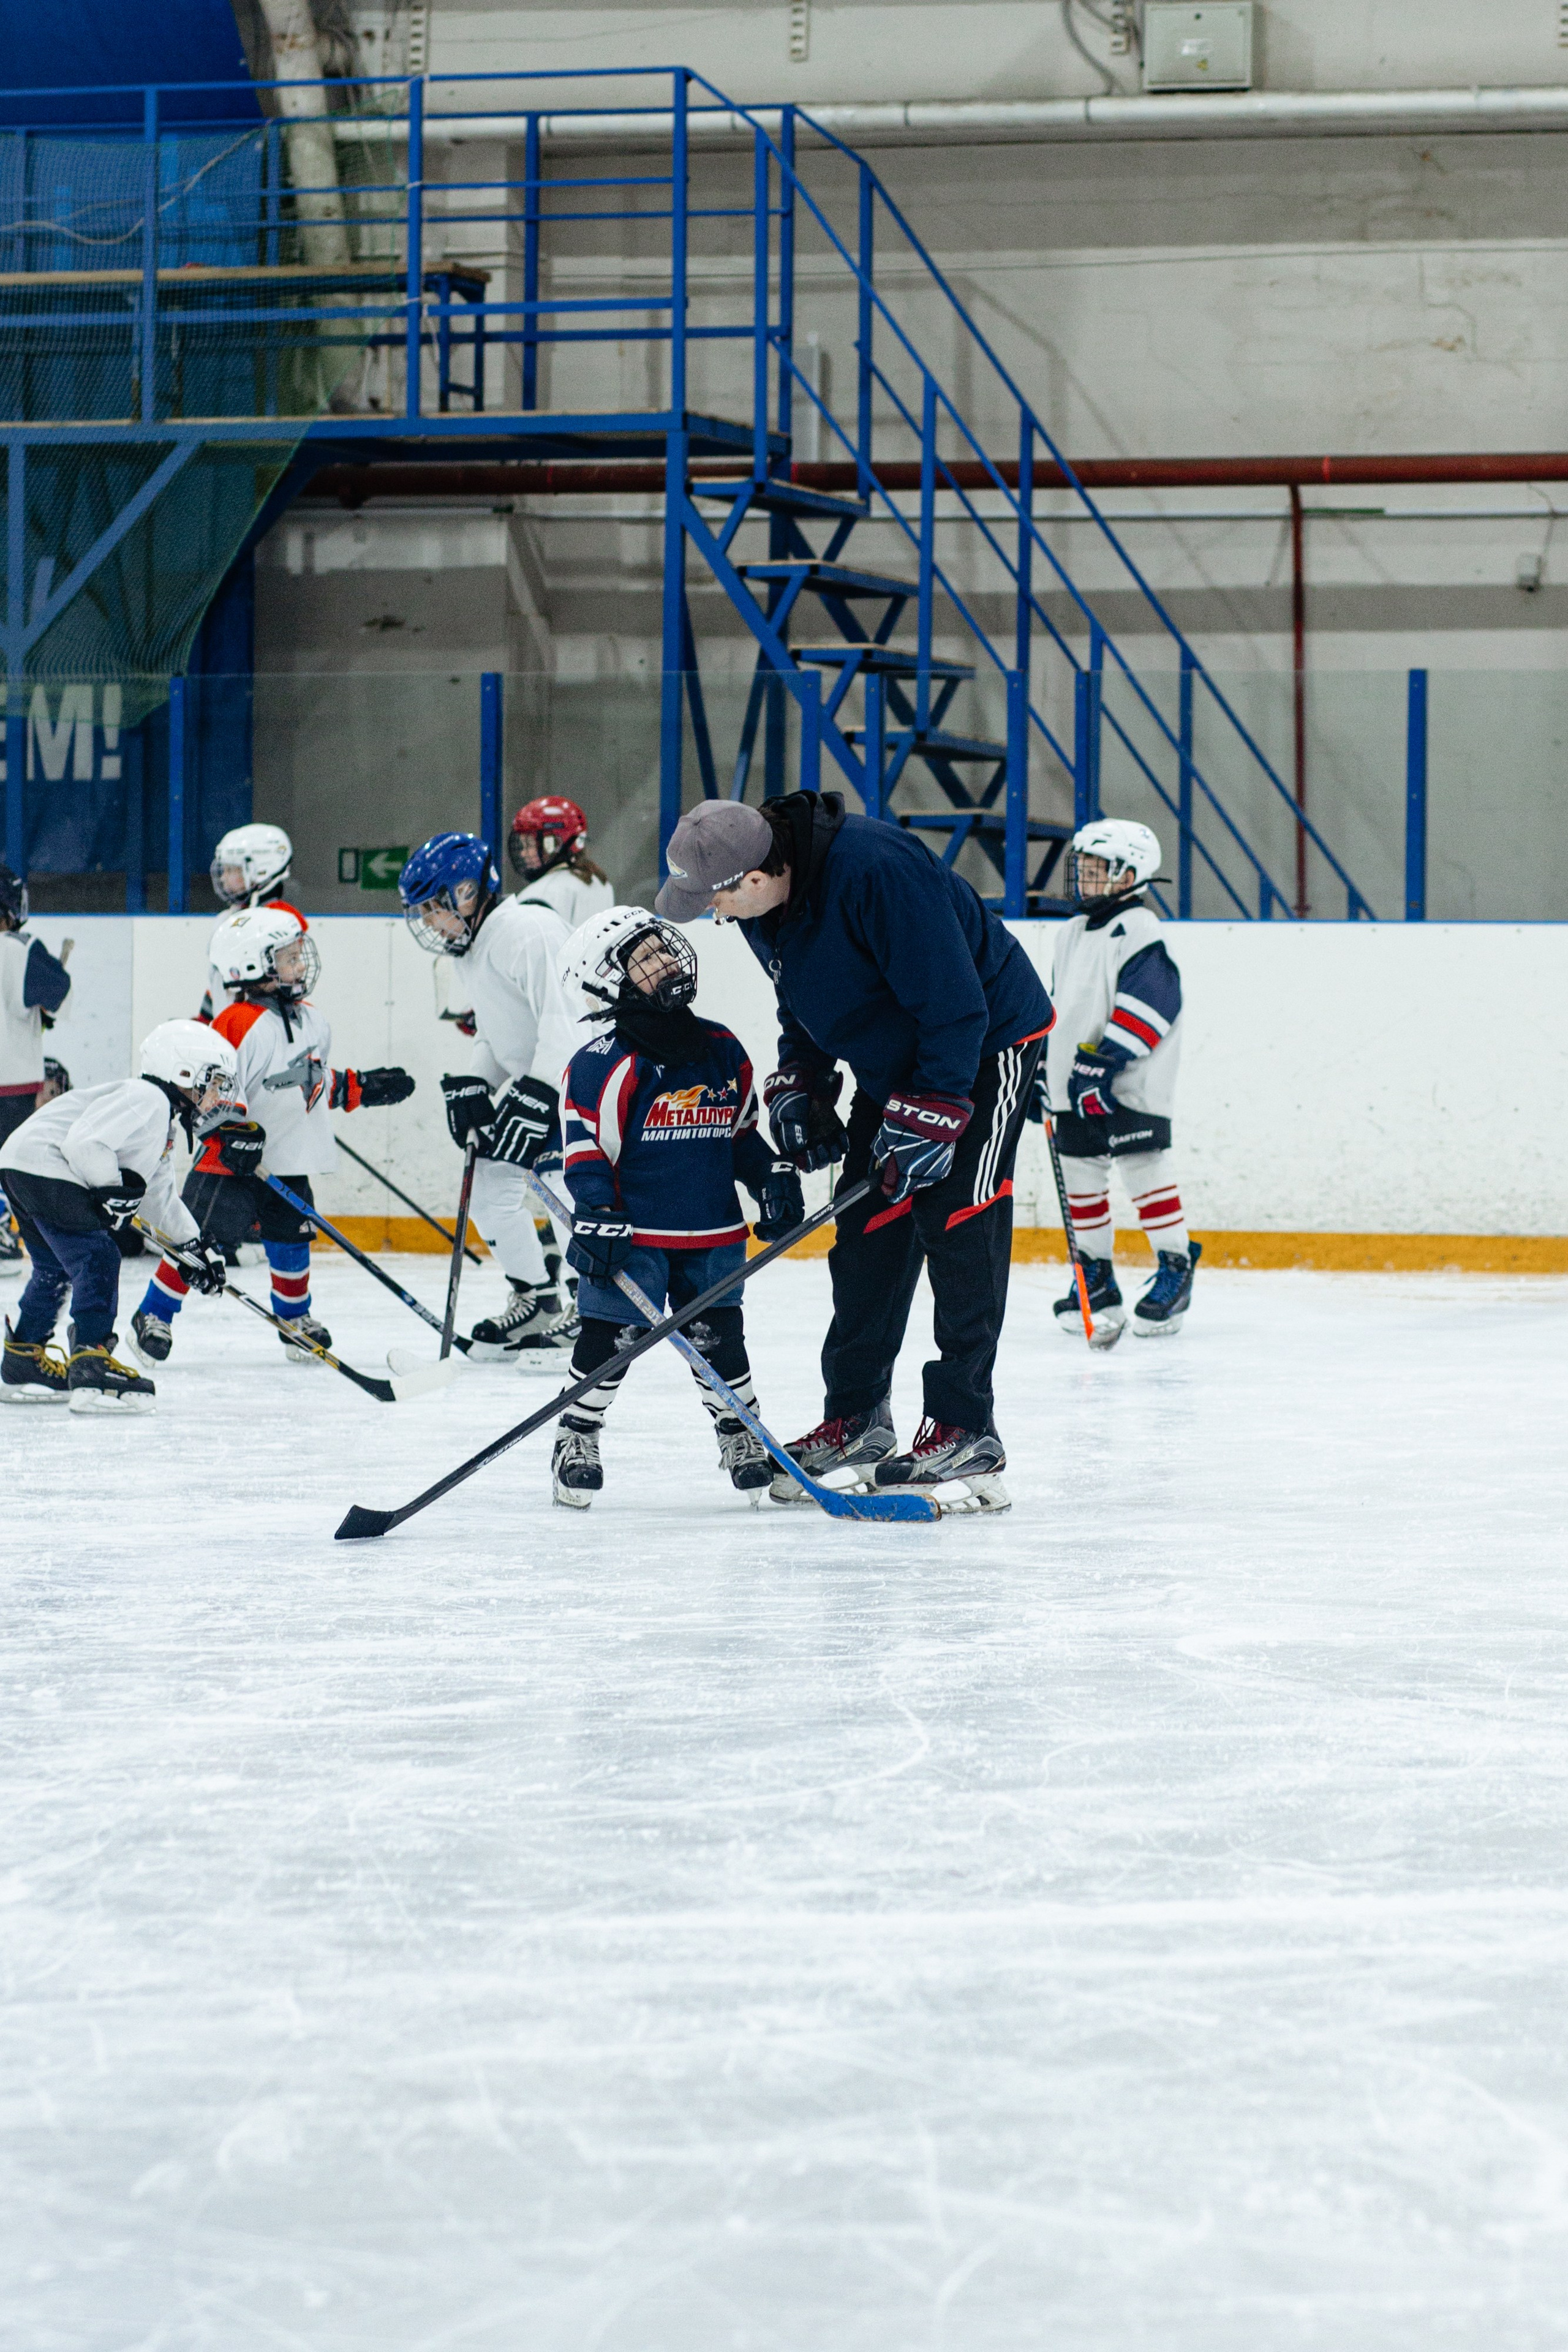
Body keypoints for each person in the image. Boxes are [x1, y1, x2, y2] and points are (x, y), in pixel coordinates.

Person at [656, 792, 1052, 1512]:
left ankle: (967, 1425)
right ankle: (858, 1417)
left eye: (713, 900)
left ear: (751, 876)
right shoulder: (766, 903)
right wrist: (801, 1084)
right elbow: (803, 998)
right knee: (868, 1232)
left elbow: (956, 1004)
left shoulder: (877, 873)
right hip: (900, 1059)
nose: (713, 917)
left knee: (957, 1219)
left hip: (983, 1045)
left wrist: (936, 1111)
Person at [552, 905, 802, 1509]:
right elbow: (584, 1145)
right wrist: (595, 1210)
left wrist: (770, 1173)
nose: (667, 959)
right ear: (606, 980)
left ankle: (740, 1432)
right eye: (644, 957)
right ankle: (575, 1436)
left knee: (720, 1338)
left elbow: (739, 1132)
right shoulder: (603, 1062)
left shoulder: (719, 1046)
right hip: (633, 1237)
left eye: (663, 947)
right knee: (609, 1341)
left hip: (712, 1232)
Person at [130, 906, 414, 1367]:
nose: (300, 966)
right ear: (252, 965)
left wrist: (362, 1088)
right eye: (288, 957)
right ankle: (154, 1314)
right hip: (230, 1166)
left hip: (289, 1157)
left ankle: (294, 1320)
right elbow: (208, 1089)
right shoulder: (236, 1024)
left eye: (299, 956)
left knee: (290, 1240)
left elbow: (312, 1082)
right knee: (196, 1241)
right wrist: (229, 1130)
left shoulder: (314, 1021)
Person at [399, 831, 579, 1365]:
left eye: (435, 908)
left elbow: (564, 1019)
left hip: (583, 1085)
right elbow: (500, 1033)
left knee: (569, 1191)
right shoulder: (473, 949)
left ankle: (591, 1310)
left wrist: (540, 1093)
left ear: (469, 893)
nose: (430, 922)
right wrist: (479, 1082)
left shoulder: (529, 929)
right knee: (487, 1187)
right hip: (542, 1084)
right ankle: (537, 1298)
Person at [1, 1020, 233, 1412]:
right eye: (212, 1083)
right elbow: (84, 1143)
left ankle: (24, 1357)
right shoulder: (148, 1098)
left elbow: (159, 1198)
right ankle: (92, 1364)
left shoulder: (161, 1119)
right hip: (47, 1167)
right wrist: (110, 1187)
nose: (216, 1096)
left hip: (21, 1165)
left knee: (55, 1268)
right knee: (99, 1256)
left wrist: (197, 1248)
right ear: (183, 1072)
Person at [1028, 818, 1198, 1338]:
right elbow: (1063, 1006)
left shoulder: (1141, 928)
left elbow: (1154, 1001)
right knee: (1081, 1177)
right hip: (1072, 1084)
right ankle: (1095, 1278)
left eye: (1097, 869)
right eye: (1083, 867)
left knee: (1144, 1172)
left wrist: (1101, 1062)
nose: (1083, 878)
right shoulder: (1072, 932)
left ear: (1130, 876)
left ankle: (1175, 1267)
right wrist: (1043, 1067)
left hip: (1128, 1083)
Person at [0, 863, 72, 1280]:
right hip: (12, 1085)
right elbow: (55, 993)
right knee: (16, 1168)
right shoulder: (19, 948)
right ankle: (23, 1240)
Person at [199, 823, 302, 1020]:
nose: (224, 878)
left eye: (232, 870)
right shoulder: (229, 919)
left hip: (260, 1029)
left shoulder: (283, 922)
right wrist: (205, 1023)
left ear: (261, 870)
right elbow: (221, 982)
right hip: (232, 1028)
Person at [508, 796, 615, 932]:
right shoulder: (601, 882)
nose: (523, 854)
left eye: (529, 845)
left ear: (555, 842)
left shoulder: (539, 893)